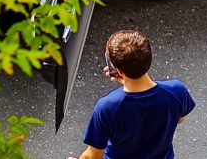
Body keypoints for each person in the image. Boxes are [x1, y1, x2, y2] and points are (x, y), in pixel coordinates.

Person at [69, 29, 195, 159]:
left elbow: (93, 156)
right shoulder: (176, 90)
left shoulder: (107, 107)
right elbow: (180, 119)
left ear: (117, 70)